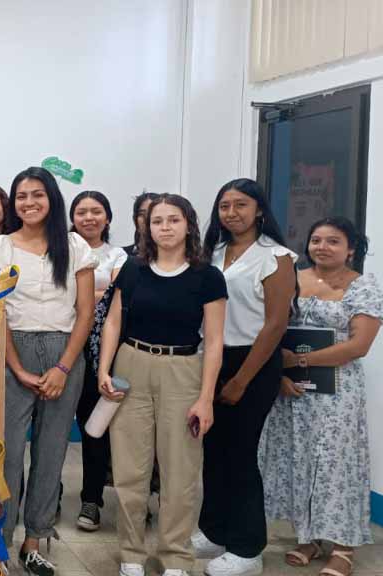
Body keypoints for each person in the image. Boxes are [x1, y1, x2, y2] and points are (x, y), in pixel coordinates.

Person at [97, 193, 226, 576]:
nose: (165, 227)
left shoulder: (207, 277)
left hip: (183, 370)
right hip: (131, 365)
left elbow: (214, 341)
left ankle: (175, 556)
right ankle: (131, 554)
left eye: (173, 220)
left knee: (180, 471)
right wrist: (104, 369)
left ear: (189, 224)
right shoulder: (133, 269)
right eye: (157, 221)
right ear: (146, 227)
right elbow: (114, 322)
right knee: (130, 470)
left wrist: (206, 398)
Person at [0, 166, 96, 576]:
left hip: (65, 351)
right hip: (12, 350)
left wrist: (63, 366)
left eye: (37, 194)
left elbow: (85, 313)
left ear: (52, 199)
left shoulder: (75, 246)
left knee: (51, 452)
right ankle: (0, 545)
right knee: (7, 455)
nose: (29, 203)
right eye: (22, 196)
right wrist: (16, 367)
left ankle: (34, 540)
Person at [259, 217, 381, 576]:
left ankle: (343, 545)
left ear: (351, 249)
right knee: (298, 460)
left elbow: (358, 345)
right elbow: (270, 327)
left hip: (337, 393)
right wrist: (280, 374)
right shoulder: (293, 279)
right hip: (290, 390)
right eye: (316, 240)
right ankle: (308, 537)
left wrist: (299, 361)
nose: (322, 247)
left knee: (336, 465)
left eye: (333, 241)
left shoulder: (363, 286)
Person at [195, 178, 297, 576]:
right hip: (214, 356)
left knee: (240, 454)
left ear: (259, 210)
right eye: (225, 205)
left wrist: (241, 379)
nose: (231, 212)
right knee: (213, 450)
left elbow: (275, 324)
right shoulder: (214, 252)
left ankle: (247, 546)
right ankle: (214, 529)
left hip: (253, 360)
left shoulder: (276, 257)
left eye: (241, 205)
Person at [68, 190, 127, 532]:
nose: (88, 218)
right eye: (81, 212)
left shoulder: (117, 255)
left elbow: (117, 297)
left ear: (107, 217)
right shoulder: (62, 250)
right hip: (62, 345)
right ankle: (48, 495)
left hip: (100, 352)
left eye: (96, 211)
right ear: (72, 217)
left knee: (94, 428)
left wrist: (79, 296)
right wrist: (96, 296)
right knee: (52, 428)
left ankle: (91, 499)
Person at [124, 192, 160, 257]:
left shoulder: (174, 256)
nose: (147, 218)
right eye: (142, 214)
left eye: (153, 213)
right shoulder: (121, 256)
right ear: (135, 219)